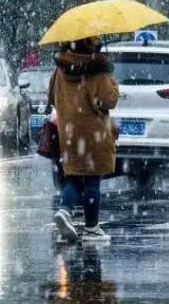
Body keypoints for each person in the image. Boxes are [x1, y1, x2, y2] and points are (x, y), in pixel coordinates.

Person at [49, 36, 118, 242]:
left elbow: (51, 96)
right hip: (93, 132)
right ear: (92, 44)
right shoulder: (97, 70)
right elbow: (109, 101)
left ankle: (64, 209)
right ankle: (91, 227)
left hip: (69, 131)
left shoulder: (60, 69)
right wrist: (113, 85)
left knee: (74, 178)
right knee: (92, 179)